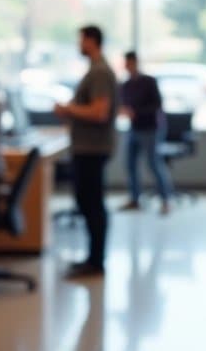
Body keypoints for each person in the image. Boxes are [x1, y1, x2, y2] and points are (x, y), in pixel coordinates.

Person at [54, 25, 119, 279]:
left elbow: (99, 111)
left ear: (92, 41)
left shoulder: (100, 72)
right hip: (88, 146)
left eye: (81, 40)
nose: (78, 45)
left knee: (91, 203)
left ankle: (96, 260)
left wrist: (68, 110)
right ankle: (93, 258)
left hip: (92, 147)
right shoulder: (95, 70)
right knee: (88, 201)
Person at [118, 51, 173, 215]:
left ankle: (166, 200)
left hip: (151, 128)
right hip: (134, 128)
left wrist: (136, 111)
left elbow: (157, 105)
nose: (127, 66)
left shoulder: (149, 81)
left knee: (154, 164)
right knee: (130, 164)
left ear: (135, 62)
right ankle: (135, 199)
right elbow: (124, 105)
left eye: (129, 63)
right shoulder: (126, 85)